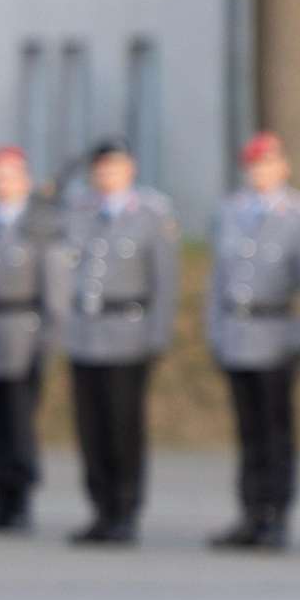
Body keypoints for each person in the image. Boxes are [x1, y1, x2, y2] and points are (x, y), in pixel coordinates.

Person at [54, 139, 180, 546]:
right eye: (101, 168)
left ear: (131, 169)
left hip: (129, 330)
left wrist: (157, 335)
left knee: (123, 426)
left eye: (115, 167)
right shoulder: (79, 211)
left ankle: (125, 510)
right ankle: (100, 508)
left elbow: (164, 281)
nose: (107, 175)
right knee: (91, 427)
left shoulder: (151, 215)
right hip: (85, 332)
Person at [206, 132, 300, 550]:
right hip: (238, 333)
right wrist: (215, 333)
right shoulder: (232, 211)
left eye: (268, 163)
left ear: (283, 167)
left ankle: (276, 514)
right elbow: (218, 281)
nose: (261, 171)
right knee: (248, 430)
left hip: (276, 334)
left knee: (276, 432)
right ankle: (250, 512)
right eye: (254, 164)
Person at [0, 146, 52, 533]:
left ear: (26, 181)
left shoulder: (39, 227)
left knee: (19, 421)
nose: (3, 184)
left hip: (23, 328)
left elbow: (54, 290)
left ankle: (21, 499)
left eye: (11, 176)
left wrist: (48, 338)